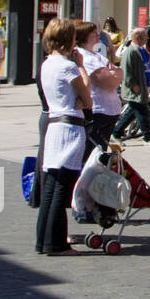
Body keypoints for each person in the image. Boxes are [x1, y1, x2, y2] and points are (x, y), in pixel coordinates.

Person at [34, 18, 93, 255]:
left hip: (54, 124)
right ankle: (55, 244)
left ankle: (43, 240)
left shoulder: (47, 64)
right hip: (70, 126)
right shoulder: (68, 67)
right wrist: (80, 65)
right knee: (61, 187)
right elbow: (87, 97)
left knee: (51, 187)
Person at [76, 21, 123, 162]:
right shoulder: (85, 57)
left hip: (108, 111)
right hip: (98, 112)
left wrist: (117, 73)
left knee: (99, 152)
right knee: (92, 154)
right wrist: (116, 73)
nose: (98, 36)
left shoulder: (97, 56)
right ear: (84, 37)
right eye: (94, 34)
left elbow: (118, 74)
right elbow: (109, 83)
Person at [113, 27, 150, 144]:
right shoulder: (130, 52)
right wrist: (133, 85)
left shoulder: (143, 51)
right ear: (138, 38)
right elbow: (126, 71)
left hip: (143, 86)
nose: (147, 38)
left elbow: (149, 67)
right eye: (145, 36)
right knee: (142, 112)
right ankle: (147, 137)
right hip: (135, 89)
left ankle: (116, 133)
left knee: (132, 112)